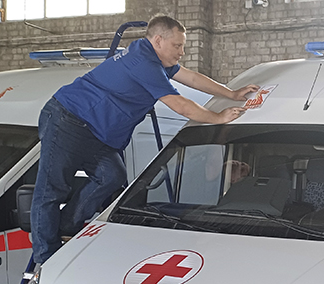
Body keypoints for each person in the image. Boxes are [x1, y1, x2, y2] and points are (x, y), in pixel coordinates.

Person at [31, 15, 259, 264]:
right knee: (51, 189)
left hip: (97, 132)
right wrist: (217, 117)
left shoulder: (155, 59)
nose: (181, 52)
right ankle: (46, 256)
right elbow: (179, 104)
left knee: (112, 176)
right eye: (177, 45)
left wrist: (232, 93)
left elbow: (192, 78)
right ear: (158, 40)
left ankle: (68, 225)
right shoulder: (143, 62)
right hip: (68, 120)